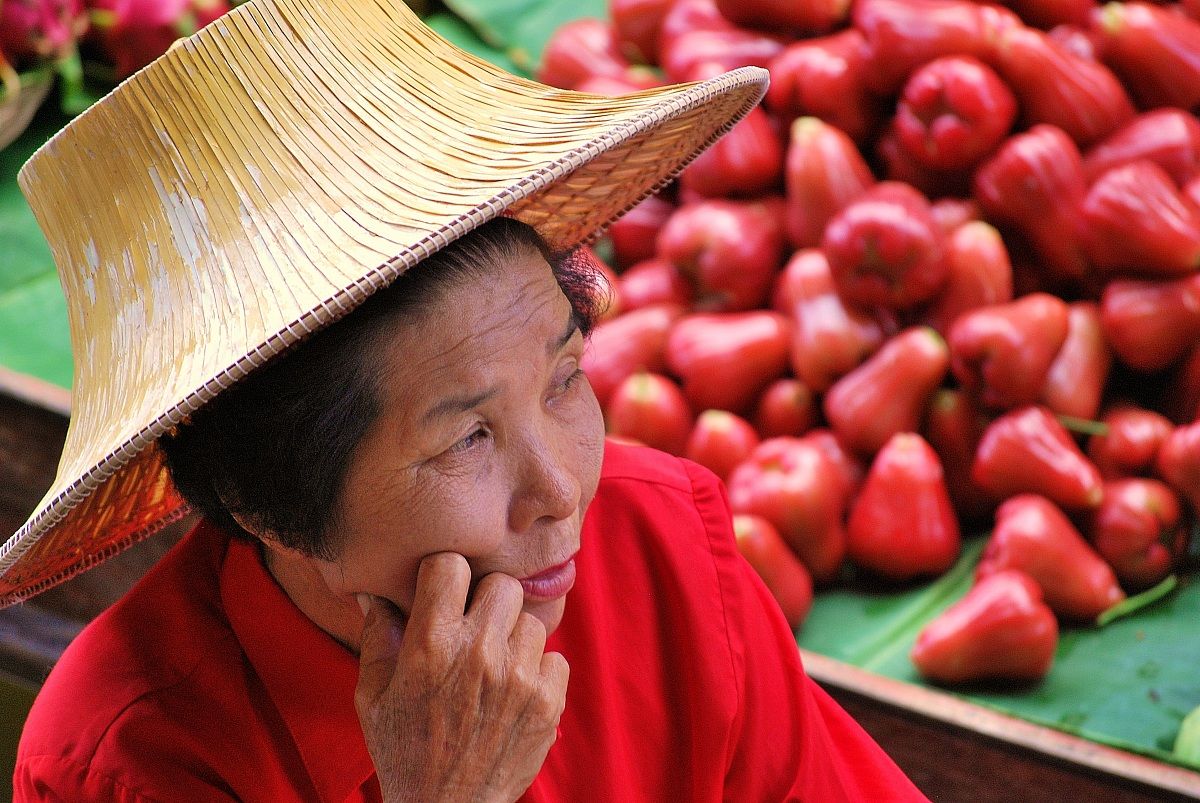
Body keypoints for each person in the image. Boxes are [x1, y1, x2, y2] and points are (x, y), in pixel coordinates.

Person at [5, 0, 928, 799]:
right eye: (467, 439)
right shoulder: (128, 765)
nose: (562, 492)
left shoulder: (664, 550)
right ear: (268, 503)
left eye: (565, 380)